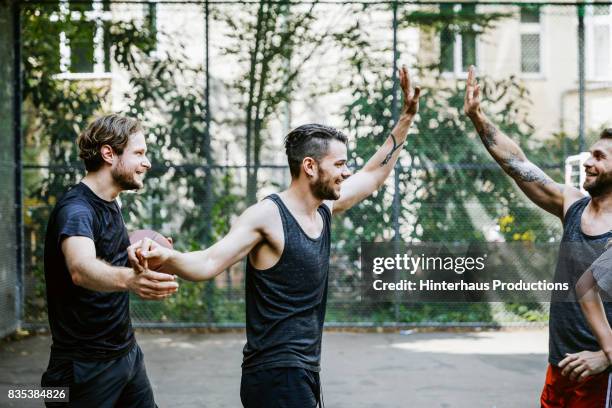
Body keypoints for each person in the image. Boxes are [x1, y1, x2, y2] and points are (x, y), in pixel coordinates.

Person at [132, 65, 421, 408]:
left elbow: (373, 176)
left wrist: (407, 116)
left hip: (301, 372)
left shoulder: (324, 209)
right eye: (339, 164)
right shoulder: (267, 216)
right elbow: (209, 260)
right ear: (310, 167)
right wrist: (167, 259)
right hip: (275, 376)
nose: (346, 172)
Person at [463, 65, 612, 407]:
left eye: (599, 157)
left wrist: (607, 356)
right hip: (559, 367)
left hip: (600, 375)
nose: (588, 162)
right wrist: (478, 117)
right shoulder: (573, 205)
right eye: (590, 154)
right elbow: (518, 163)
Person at [41, 114, 179, 407]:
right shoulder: (76, 210)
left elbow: (107, 252)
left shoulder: (111, 201)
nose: (147, 162)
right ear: (108, 154)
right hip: (83, 370)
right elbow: (81, 268)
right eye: (139, 153)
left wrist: (142, 251)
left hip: (126, 355)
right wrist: (132, 280)